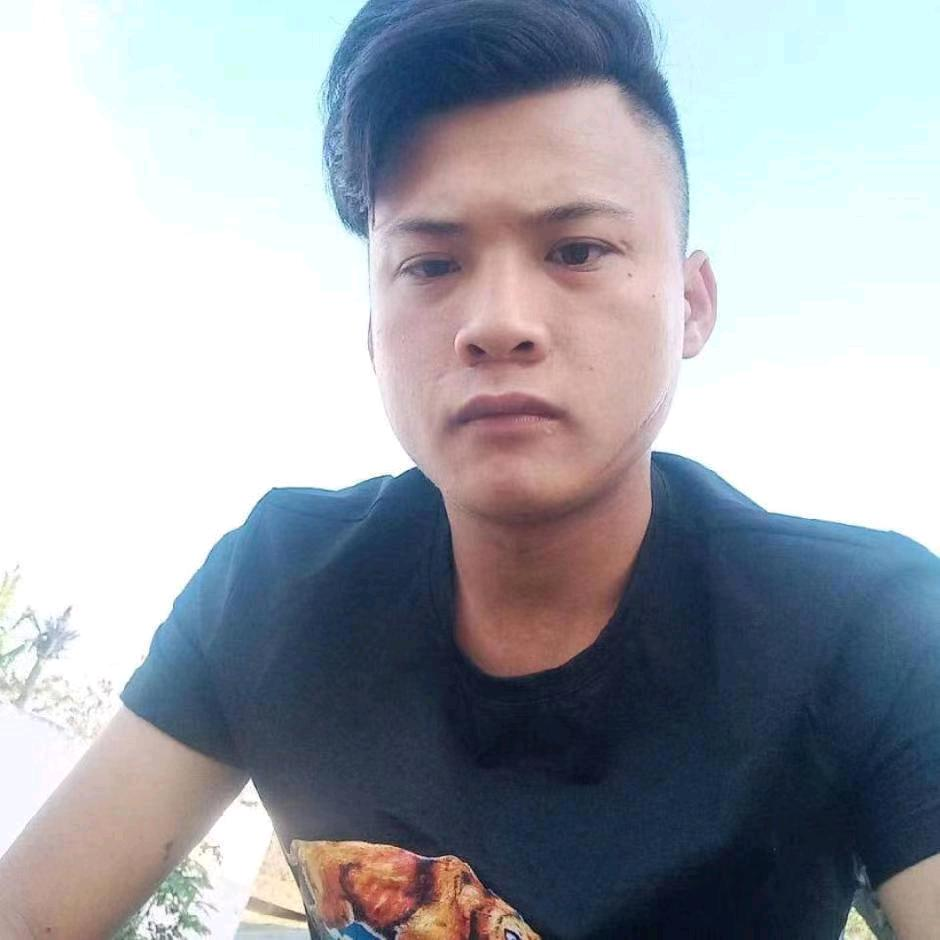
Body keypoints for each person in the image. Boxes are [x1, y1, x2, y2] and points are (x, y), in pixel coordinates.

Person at [1, 0, 938, 936]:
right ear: (373, 329)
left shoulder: (867, 629)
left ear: (691, 305)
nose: (496, 322)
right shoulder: (277, 587)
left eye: (577, 251)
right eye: (430, 265)